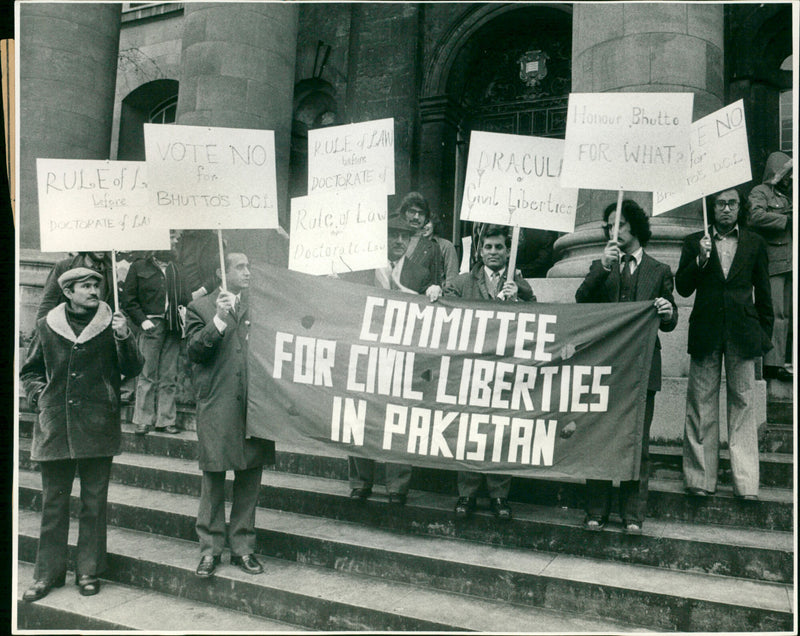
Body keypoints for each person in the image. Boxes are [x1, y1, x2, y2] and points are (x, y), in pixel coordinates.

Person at [20, 267, 142, 601]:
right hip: (55, 427)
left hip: (98, 426)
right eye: (84, 286)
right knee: (53, 505)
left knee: (93, 504)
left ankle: (88, 571)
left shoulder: (113, 324)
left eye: (94, 286)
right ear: (68, 292)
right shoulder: (47, 326)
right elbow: (29, 371)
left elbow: (133, 368)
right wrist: (40, 397)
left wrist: (123, 337)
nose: (92, 291)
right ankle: (47, 574)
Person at [575, 200, 678, 534]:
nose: (612, 230)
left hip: (643, 367)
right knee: (599, 438)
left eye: (619, 224)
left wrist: (667, 311)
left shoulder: (659, 270)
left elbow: (669, 321)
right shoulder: (601, 265)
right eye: (608, 225)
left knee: (638, 443)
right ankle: (596, 510)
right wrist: (603, 268)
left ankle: (632, 514)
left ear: (635, 226)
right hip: (605, 367)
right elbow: (582, 301)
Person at [676, 187, 773, 500]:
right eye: (721, 203)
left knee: (743, 405)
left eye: (732, 203)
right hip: (706, 331)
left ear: (739, 207)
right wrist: (701, 259)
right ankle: (700, 479)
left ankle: (745, 484)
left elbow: (765, 295)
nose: (727, 209)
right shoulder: (694, 242)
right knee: (701, 404)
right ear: (712, 207)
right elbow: (683, 287)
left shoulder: (755, 242)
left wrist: (765, 336)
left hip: (743, 333)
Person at [184, 252, 275, 577]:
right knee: (214, 480)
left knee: (250, 478)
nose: (248, 272)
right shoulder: (200, 308)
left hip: (254, 406)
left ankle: (243, 548)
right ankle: (210, 550)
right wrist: (219, 320)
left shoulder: (261, 305)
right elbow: (194, 352)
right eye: (241, 267)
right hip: (218, 405)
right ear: (222, 271)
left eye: (249, 266)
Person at [445, 225, 535, 521]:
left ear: (508, 251)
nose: (494, 252)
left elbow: (537, 320)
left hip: (505, 369)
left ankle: (499, 495)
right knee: (468, 427)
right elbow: (447, 312)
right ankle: (466, 492)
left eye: (499, 247)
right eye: (488, 247)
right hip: (471, 367)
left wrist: (519, 301)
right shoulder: (460, 282)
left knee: (502, 430)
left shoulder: (520, 284)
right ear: (479, 251)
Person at [348, 214, 439, 505]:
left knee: (399, 417)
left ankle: (397, 485)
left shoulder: (420, 273)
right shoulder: (360, 270)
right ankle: (360, 482)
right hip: (366, 353)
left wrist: (433, 291)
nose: (399, 241)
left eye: (405, 236)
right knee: (359, 414)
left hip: (401, 357)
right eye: (393, 235)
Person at [122, 244, 186, 435]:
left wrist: (183, 315)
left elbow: (186, 298)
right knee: (146, 374)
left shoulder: (177, 268)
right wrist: (142, 321)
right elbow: (129, 300)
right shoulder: (139, 267)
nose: (172, 245)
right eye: (169, 240)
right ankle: (143, 420)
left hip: (173, 326)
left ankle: (166, 420)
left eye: (174, 241)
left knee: (169, 374)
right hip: (151, 325)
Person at [747, 152, 793, 382]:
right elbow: (755, 217)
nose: (789, 178)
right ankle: (772, 363)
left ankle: (784, 360)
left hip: (791, 261)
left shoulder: (790, 193)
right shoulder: (761, 192)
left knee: (787, 314)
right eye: (785, 173)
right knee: (776, 313)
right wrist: (786, 219)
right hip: (774, 260)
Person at [36, 252, 114, 322]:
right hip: (68, 325)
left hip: (98, 326)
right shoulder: (64, 267)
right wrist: (41, 330)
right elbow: (49, 301)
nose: (101, 249)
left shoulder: (112, 270)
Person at [397, 192, 445, 298]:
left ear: (426, 218)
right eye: (412, 212)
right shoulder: (393, 240)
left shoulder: (432, 248)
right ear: (404, 213)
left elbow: (435, 284)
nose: (416, 217)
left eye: (421, 213)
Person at [174, 229, 221, 302]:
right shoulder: (178, 240)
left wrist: (200, 292)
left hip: (204, 297)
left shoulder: (212, 240)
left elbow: (219, 273)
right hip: (181, 298)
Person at [422, 214, 460, 288]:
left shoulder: (446, 246)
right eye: (421, 223)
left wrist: (445, 296)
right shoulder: (412, 245)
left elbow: (452, 278)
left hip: (440, 296)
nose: (424, 226)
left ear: (434, 224)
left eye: (427, 222)